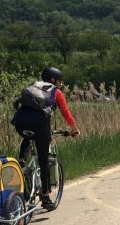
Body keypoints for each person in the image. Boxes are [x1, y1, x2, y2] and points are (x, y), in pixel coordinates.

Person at [11, 66, 79, 210]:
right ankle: (46, 196)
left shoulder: (33, 86)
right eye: (59, 81)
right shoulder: (55, 92)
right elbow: (65, 112)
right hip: (39, 126)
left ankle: (22, 161)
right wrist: (74, 129)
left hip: (20, 122)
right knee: (43, 159)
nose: (60, 84)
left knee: (29, 136)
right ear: (53, 79)